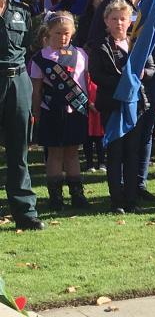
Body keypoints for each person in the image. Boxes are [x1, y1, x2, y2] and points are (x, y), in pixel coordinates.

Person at [89, 0, 155, 203]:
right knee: (118, 145)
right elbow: (96, 50)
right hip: (116, 93)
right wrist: (122, 81)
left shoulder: (149, 3)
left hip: (143, 87)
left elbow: (153, 47)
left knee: (143, 135)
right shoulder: (111, 5)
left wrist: (146, 74)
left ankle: (137, 186)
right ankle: (118, 192)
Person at [89, 0, 154, 214]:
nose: (118, 23)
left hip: (136, 105)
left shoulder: (137, 44)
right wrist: (122, 83)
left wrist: (144, 73)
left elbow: (152, 67)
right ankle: (116, 200)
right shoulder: (99, 46)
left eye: (123, 19)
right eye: (114, 19)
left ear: (129, 22)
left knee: (132, 152)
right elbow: (97, 75)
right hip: (113, 105)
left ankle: (132, 198)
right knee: (115, 153)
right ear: (106, 21)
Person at [30, 11, 90, 210]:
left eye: (66, 33)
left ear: (72, 32)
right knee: (54, 154)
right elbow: (36, 90)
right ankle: (56, 197)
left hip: (76, 110)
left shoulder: (81, 54)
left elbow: (85, 83)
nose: (62, 37)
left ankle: (77, 195)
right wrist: (36, 113)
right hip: (51, 111)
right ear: (48, 32)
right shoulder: (41, 58)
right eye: (57, 33)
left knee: (73, 153)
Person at [0, 0, 44, 231]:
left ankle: (25, 213)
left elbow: (30, 47)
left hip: (18, 83)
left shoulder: (21, 12)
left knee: (19, 152)